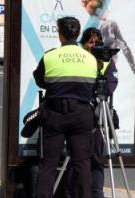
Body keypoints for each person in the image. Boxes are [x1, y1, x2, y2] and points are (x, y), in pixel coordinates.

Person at [33, 17, 97, 198]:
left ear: (60, 34)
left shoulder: (50, 56)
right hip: (81, 114)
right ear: (77, 34)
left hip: (55, 114)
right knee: (82, 163)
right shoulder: (90, 58)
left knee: (48, 164)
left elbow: (40, 80)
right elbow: (93, 84)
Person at [66, 27, 118, 198]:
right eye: (90, 42)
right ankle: (74, 193)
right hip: (78, 114)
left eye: (96, 42)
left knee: (97, 160)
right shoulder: (78, 59)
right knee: (76, 159)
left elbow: (110, 86)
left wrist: (98, 90)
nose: (93, 46)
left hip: (98, 117)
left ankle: (97, 194)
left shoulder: (106, 60)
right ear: (83, 43)